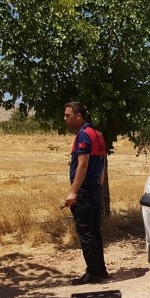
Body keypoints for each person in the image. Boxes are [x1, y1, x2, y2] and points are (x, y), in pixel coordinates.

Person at [63, 101, 109, 284]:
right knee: (95, 231)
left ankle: (93, 273)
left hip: (84, 190)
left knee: (86, 233)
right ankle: (101, 270)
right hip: (95, 189)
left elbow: (83, 165)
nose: (65, 119)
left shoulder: (83, 135)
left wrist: (73, 192)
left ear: (78, 115)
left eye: (68, 115)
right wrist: (100, 185)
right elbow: (102, 165)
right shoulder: (97, 134)